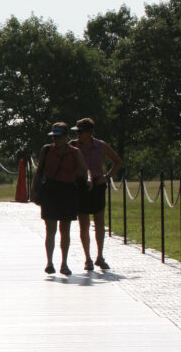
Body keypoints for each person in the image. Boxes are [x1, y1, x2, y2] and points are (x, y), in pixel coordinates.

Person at [32, 121, 91, 277]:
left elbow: (85, 169)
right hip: (50, 190)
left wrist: (88, 180)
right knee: (50, 229)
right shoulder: (46, 150)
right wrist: (34, 190)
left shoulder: (75, 152)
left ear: (66, 137)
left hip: (67, 190)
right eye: (54, 137)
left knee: (65, 230)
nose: (55, 140)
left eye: (58, 137)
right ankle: (49, 262)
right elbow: (39, 172)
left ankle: (64, 263)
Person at [70, 117, 123, 271]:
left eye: (81, 131)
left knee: (99, 222)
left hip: (98, 186)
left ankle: (100, 255)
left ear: (90, 132)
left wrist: (107, 177)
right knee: (83, 224)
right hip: (81, 187)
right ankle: (87, 258)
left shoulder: (100, 146)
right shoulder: (73, 146)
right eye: (77, 131)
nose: (78, 134)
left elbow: (117, 161)